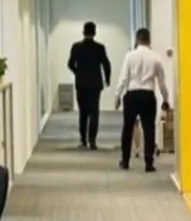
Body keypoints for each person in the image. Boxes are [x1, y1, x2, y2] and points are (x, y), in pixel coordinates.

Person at [115, 28, 170, 172]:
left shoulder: (129, 56)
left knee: (127, 128)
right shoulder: (156, 58)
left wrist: (117, 96)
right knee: (149, 129)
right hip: (148, 95)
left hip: (132, 95)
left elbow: (123, 78)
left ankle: (125, 161)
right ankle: (149, 163)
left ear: (137, 39)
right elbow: (162, 83)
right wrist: (166, 99)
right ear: (149, 40)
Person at [67, 21, 111, 150]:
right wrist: (107, 79)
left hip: (81, 84)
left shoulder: (76, 47)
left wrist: (78, 73)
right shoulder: (99, 48)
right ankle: (92, 140)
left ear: (83, 32)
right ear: (95, 33)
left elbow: (70, 64)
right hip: (95, 84)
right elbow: (106, 64)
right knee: (94, 112)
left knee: (83, 112)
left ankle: (83, 139)